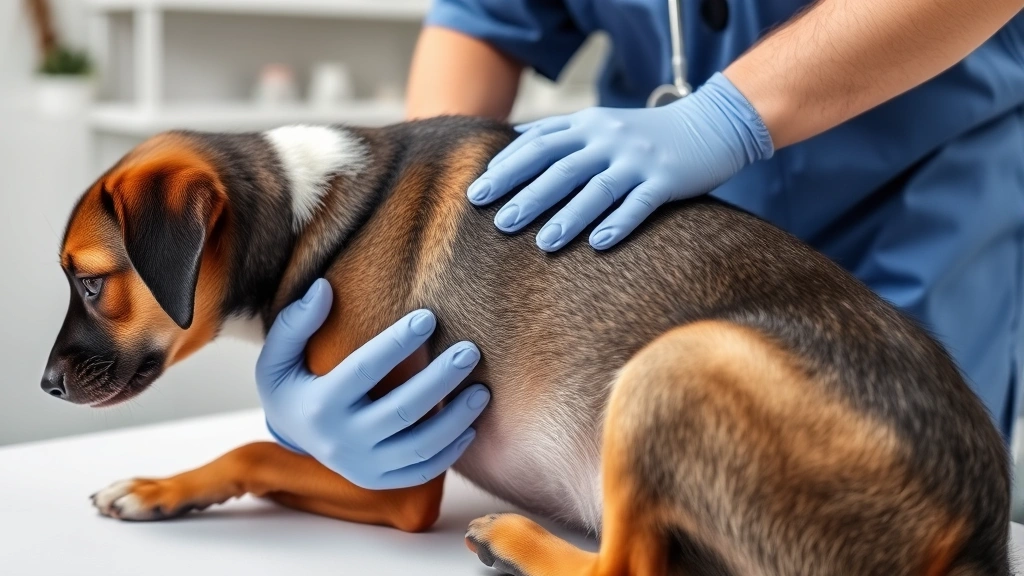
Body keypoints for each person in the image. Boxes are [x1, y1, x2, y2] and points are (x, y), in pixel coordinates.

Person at [256, 0, 1024, 491]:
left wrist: (723, 118)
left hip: (912, 210)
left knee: (882, 493)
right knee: (665, 492)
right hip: (651, 239)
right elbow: (483, 18)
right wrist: (409, 261)